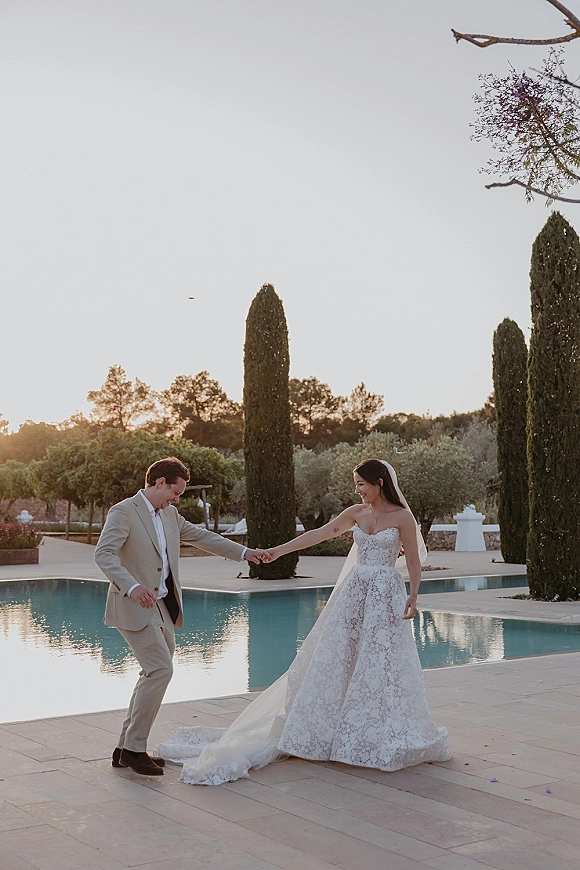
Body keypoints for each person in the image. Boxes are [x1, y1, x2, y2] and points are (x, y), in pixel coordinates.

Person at [158, 458, 451, 784]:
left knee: (380, 662)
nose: (357, 489)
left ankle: (374, 731)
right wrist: (277, 551)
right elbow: (318, 535)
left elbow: (412, 557)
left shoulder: (403, 517)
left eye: (361, 484)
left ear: (379, 482)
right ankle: (332, 727)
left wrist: (414, 594)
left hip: (385, 594)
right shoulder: (356, 513)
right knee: (339, 656)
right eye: (355, 484)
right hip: (354, 593)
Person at [94, 456, 270, 776]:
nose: (178, 498)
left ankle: (124, 747)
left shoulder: (171, 515)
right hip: (133, 604)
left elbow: (203, 537)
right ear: (160, 482)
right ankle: (135, 749)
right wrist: (132, 586)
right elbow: (103, 553)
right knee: (160, 670)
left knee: (154, 672)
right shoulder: (124, 511)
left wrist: (245, 553)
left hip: (162, 606)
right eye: (176, 492)